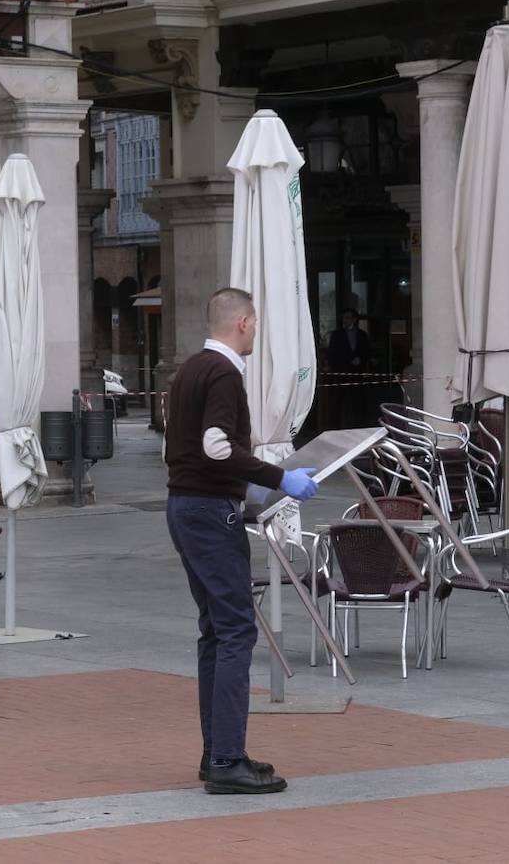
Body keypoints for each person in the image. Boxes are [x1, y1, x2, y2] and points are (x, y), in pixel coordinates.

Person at [164, 287, 319, 795]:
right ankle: (227, 759)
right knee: (235, 632)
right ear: (245, 323)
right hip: (209, 513)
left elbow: (185, 443)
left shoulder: (189, 370)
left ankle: (219, 752)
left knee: (216, 631)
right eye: (257, 324)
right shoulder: (225, 374)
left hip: (187, 507)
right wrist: (278, 477)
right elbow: (214, 445)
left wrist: (249, 476)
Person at [326, 309, 372, 427]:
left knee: (357, 399)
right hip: (340, 372)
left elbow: (366, 351)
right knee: (337, 399)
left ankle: (359, 423)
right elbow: (332, 353)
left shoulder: (362, 334)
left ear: (354, 319)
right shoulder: (336, 334)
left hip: (356, 372)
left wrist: (360, 359)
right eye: (344, 317)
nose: (346, 320)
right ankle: (334, 426)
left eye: (348, 317)